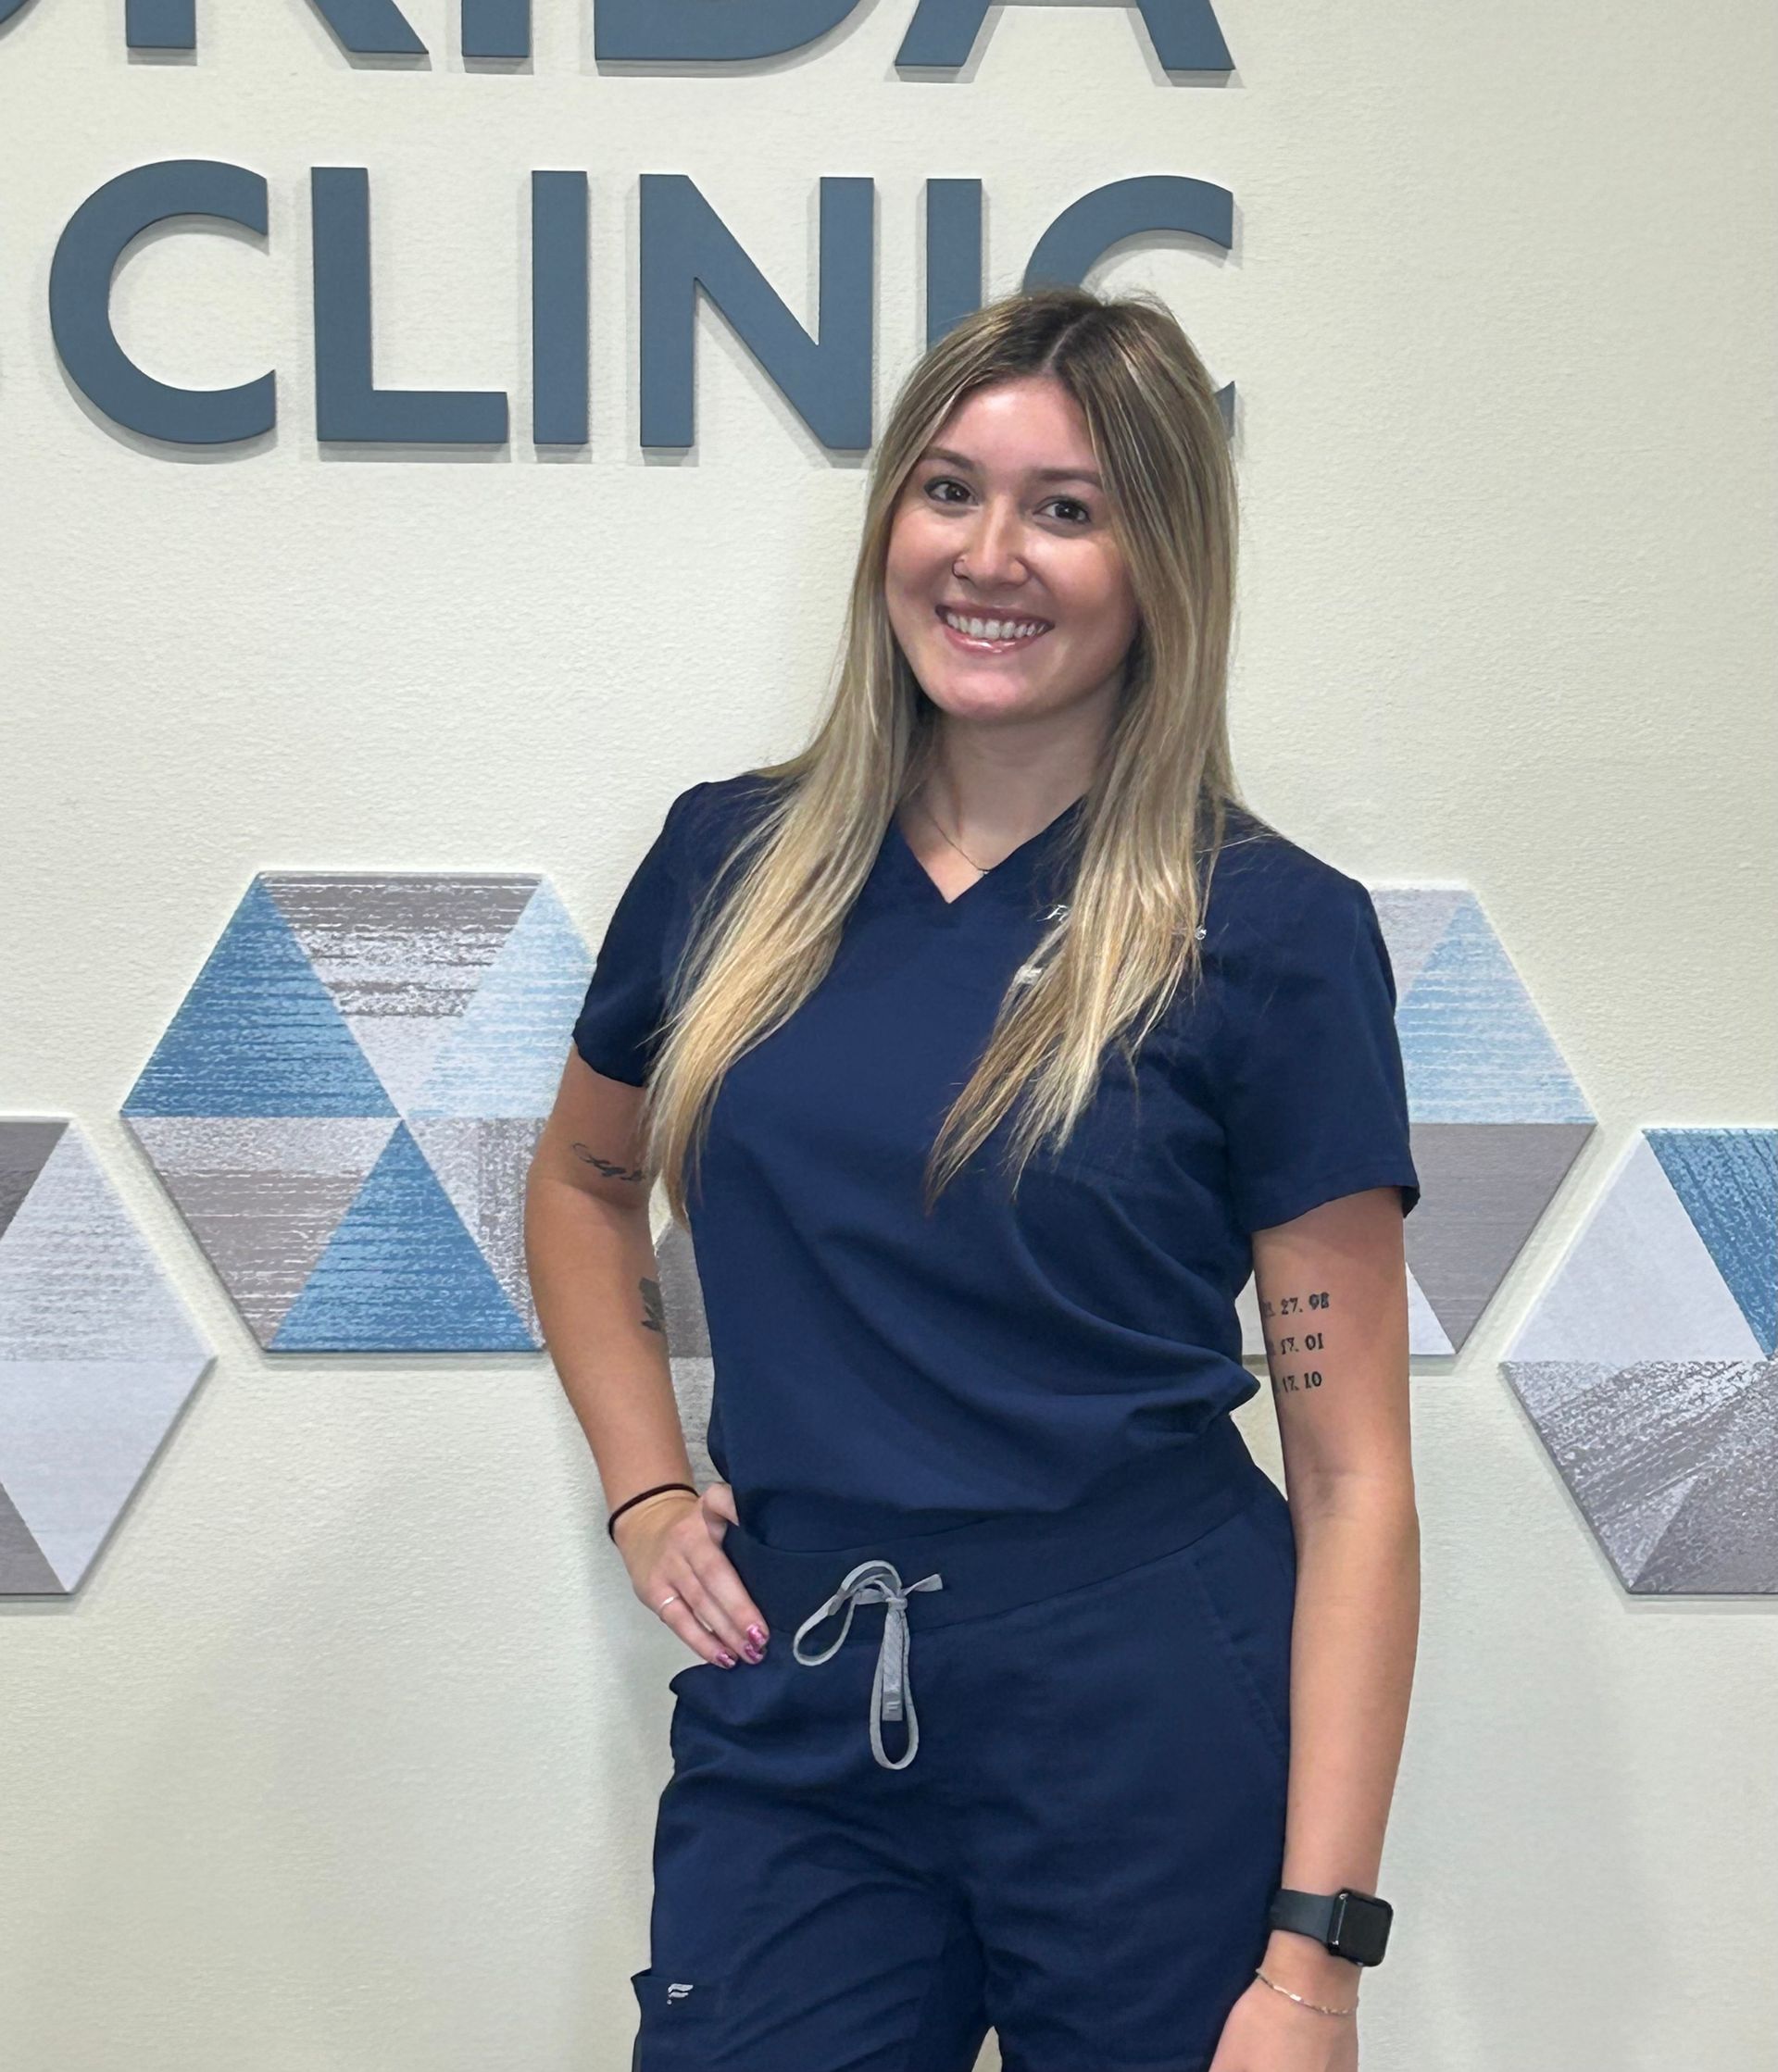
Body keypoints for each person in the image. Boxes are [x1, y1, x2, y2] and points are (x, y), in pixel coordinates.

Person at [524, 284, 1422, 2072]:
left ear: (1159, 557)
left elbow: (1352, 1472)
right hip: (801, 1703)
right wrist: (645, 1492)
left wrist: (1314, 1962)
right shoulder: (732, 860)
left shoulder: (1273, 936)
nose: (988, 555)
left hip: (1148, 1706)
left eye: (1066, 508)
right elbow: (578, 1179)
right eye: (949, 491)